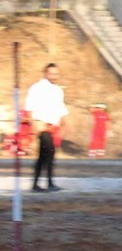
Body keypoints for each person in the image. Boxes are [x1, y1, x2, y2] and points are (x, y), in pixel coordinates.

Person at [25, 62, 68, 192]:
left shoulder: (58, 90)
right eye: (51, 73)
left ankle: (38, 184)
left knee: (45, 155)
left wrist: (63, 123)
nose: (54, 76)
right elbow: (29, 106)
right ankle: (48, 183)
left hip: (52, 126)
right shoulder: (37, 88)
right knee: (48, 152)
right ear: (46, 73)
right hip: (42, 125)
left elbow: (60, 108)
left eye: (56, 73)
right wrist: (33, 123)